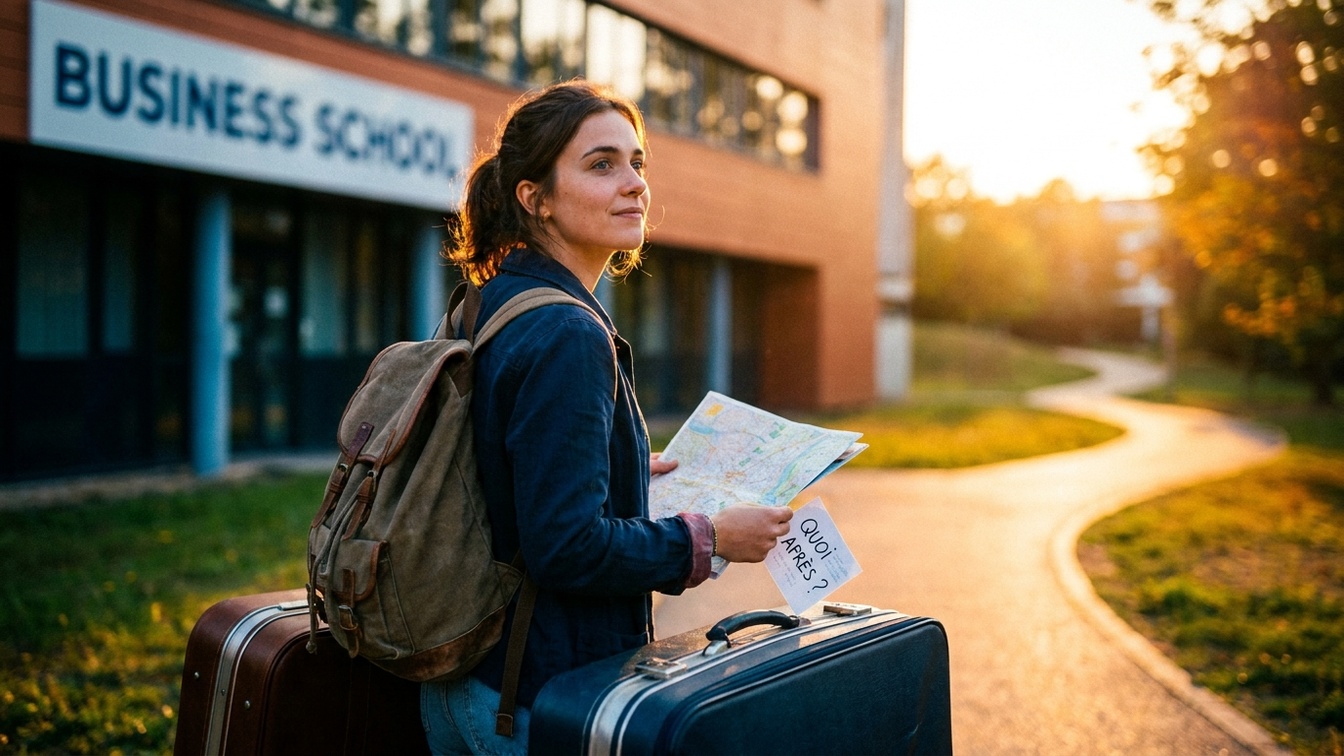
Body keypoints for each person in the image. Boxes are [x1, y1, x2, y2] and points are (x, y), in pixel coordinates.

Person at [419, 80, 794, 755]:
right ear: (535, 198)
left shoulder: (489, 301)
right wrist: (711, 536)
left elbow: (498, 470)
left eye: (637, 162)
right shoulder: (567, 332)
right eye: (602, 165)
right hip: (533, 703)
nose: (635, 184)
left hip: (464, 682)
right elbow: (566, 548)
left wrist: (616, 470)